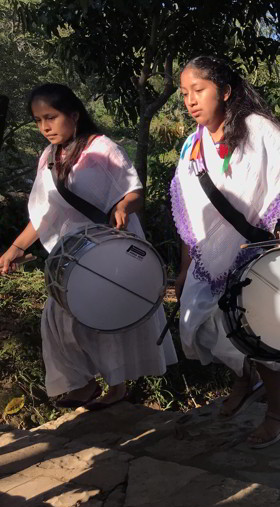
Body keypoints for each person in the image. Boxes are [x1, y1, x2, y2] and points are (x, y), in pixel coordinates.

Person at [171, 56, 280, 447]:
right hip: (211, 256)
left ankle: (277, 412)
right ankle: (242, 378)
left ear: (226, 91)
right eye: (185, 93)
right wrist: (185, 268)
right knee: (200, 324)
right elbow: (189, 213)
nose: (190, 101)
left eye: (199, 90)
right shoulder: (191, 146)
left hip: (263, 244)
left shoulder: (257, 129)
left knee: (262, 332)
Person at [0, 83, 176, 409]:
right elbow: (45, 215)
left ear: (74, 115)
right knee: (57, 319)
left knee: (107, 319)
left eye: (50, 117)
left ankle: (117, 387)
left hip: (110, 251)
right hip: (72, 257)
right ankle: (82, 384)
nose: (45, 127)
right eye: (38, 120)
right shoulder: (48, 158)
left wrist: (123, 207)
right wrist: (16, 247)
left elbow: (134, 191)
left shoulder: (103, 148)